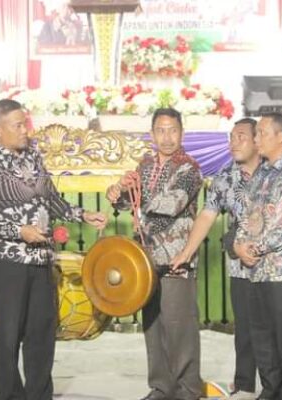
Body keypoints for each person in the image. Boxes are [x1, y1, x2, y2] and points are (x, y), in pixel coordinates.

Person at [0, 99, 107, 400]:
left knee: (42, 334)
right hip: (8, 263)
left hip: (42, 259)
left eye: (25, 123)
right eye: (17, 125)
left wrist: (82, 214)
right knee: (8, 338)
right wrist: (19, 231)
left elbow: (52, 200)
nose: (25, 130)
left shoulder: (34, 157)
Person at [106, 108, 203, 400]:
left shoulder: (189, 168)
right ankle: (161, 387)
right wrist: (118, 192)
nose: (167, 137)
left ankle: (187, 389)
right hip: (145, 261)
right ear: (152, 134)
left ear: (181, 132)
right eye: (161, 130)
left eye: (173, 130)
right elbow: (129, 204)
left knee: (179, 328)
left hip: (176, 259)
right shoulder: (145, 164)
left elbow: (171, 205)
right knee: (153, 325)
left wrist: (135, 195)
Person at [170, 118, 261, 399]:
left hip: (276, 266)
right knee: (244, 328)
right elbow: (208, 214)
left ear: (259, 140)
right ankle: (245, 385)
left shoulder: (276, 171)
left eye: (241, 137)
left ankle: (280, 388)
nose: (233, 143)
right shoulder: (224, 177)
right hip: (239, 265)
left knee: (276, 330)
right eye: (231, 137)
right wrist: (186, 252)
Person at [233, 112, 282, 400]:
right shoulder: (260, 174)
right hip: (255, 269)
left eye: (262, 133)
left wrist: (257, 248)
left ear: (281, 136)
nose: (257, 139)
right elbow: (246, 216)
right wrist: (240, 246)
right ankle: (271, 388)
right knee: (261, 334)